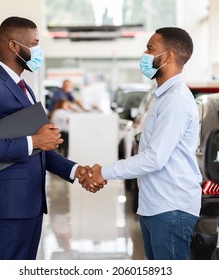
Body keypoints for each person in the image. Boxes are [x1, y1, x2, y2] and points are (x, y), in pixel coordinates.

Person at [0, 16, 98, 260]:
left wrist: (75, 170)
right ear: (14, 46)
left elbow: (39, 148)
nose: (38, 51)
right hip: (7, 205)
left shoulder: (23, 86)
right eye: (34, 44)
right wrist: (34, 141)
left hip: (29, 202)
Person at [81, 27, 202, 260]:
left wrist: (103, 172)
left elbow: (154, 158)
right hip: (155, 206)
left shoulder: (175, 100)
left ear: (167, 57)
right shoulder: (163, 97)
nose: (144, 54)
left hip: (171, 209)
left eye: (150, 48)